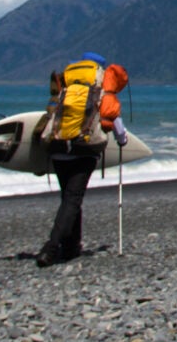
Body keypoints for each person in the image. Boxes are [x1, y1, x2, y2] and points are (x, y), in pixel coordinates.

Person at [36, 53, 127, 265]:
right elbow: (115, 120)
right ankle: (52, 246)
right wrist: (121, 140)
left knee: (69, 198)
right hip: (84, 149)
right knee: (73, 199)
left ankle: (71, 247)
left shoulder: (66, 85)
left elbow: (51, 115)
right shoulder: (102, 87)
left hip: (58, 147)